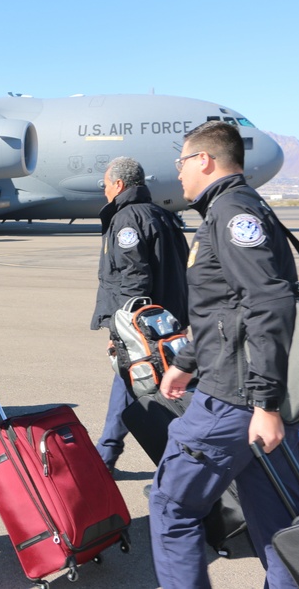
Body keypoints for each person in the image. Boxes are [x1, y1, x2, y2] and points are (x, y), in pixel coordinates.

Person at [149, 121, 299, 588]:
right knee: (277, 521)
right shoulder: (243, 206)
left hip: (236, 400)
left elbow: (269, 302)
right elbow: (227, 308)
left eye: (181, 163)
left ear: (204, 161)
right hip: (251, 393)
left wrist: (265, 404)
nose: (178, 175)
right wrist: (185, 362)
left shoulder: (231, 213)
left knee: (172, 506)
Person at [90, 156, 189, 472]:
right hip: (171, 324)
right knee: (159, 391)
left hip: (145, 329)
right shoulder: (164, 215)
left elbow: (133, 277)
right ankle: (108, 454)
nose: (104, 191)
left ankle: (104, 458)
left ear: (118, 185)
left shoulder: (127, 220)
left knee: (131, 385)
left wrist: (122, 333)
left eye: (106, 185)